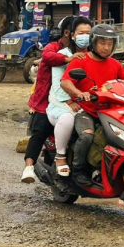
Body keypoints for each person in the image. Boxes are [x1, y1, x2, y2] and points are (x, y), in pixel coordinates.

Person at [60, 23, 124, 186]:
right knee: (87, 135)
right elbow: (65, 82)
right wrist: (78, 93)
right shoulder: (81, 60)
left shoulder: (115, 64)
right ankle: (78, 170)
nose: (106, 48)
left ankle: (109, 170)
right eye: (102, 43)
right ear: (93, 43)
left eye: (109, 44)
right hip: (85, 111)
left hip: (110, 112)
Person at [20, 16, 83, 183]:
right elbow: (48, 57)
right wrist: (68, 59)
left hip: (73, 99)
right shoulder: (54, 48)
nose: (84, 36)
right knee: (39, 132)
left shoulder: (83, 51)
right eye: (80, 32)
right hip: (46, 101)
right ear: (68, 33)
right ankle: (29, 167)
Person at [45, 17, 92, 177]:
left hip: (88, 103)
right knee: (67, 119)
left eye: (88, 33)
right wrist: (70, 100)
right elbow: (59, 84)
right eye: (81, 33)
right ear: (72, 35)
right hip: (61, 103)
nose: (85, 36)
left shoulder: (94, 56)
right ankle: (60, 156)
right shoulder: (63, 55)